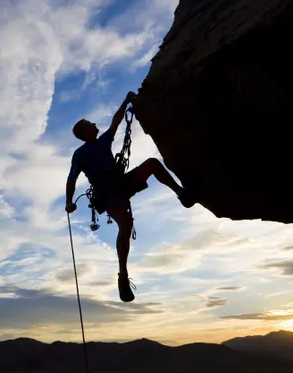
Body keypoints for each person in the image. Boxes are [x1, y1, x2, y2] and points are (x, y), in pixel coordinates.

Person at [65, 91, 196, 302]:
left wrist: (125, 100)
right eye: (90, 123)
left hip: (121, 183)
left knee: (152, 164)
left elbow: (116, 121)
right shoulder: (80, 154)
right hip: (107, 194)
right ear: (84, 131)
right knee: (125, 224)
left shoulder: (103, 140)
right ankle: (123, 275)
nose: (94, 123)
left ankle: (181, 193)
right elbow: (71, 179)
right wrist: (68, 201)